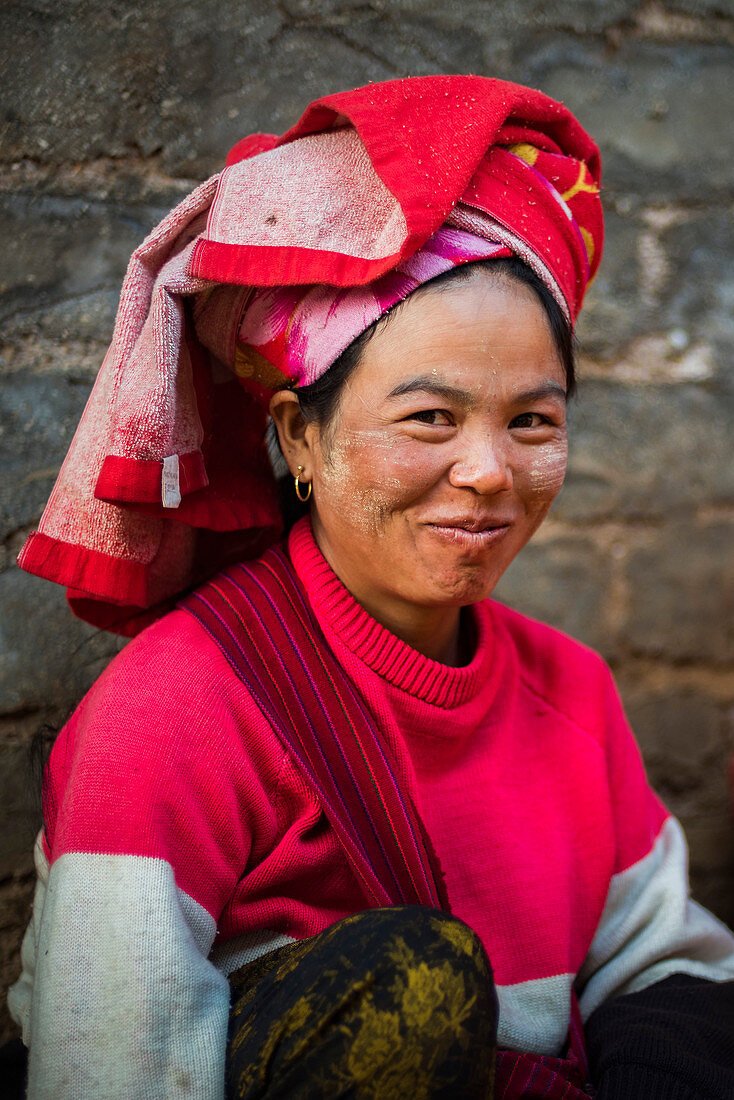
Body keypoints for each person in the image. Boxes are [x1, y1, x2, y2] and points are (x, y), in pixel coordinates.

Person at [7, 75, 734, 1099]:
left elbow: (670, 966)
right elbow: (107, 1066)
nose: (488, 470)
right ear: (300, 437)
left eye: (531, 420)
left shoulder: (567, 692)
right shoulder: (174, 711)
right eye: (429, 419)